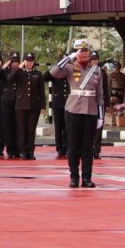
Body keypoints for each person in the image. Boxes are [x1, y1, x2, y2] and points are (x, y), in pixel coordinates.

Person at [49, 39, 104, 187]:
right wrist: (69, 57)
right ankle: (74, 177)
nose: (84, 53)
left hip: (91, 110)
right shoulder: (69, 67)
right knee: (73, 145)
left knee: (88, 147)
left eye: (86, 51)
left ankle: (86, 178)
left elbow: (100, 95)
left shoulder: (97, 70)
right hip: (73, 109)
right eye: (81, 51)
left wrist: (100, 116)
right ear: (76, 53)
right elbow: (53, 72)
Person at [10, 52, 47, 160]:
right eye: (27, 61)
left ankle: (30, 152)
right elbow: (10, 78)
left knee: (31, 130)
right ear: (24, 62)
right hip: (21, 105)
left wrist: (43, 106)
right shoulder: (19, 73)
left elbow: (41, 91)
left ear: (34, 62)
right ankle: (22, 151)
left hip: (34, 106)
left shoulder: (38, 74)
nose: (29, 63)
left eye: (31, 61)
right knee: (22, 130)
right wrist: (19, 68)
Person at [0, 52, 21, 158]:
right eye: (13, 62)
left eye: (16, 62)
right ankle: (10, 150)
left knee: (18, 127)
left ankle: (17, 150)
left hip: (18, 101)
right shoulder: (5, 71)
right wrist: (3, 67)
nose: (15, 64)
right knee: (7, 126)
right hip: (6, 101)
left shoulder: (21, 71)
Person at [46, 63, 70, 157]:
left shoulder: (70, 73)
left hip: (69, 104)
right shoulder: (55, 74)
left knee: (68, 127)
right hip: (58, 104)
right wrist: (55, 67)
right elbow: (45, 77)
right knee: (58, 127)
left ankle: (67, 147)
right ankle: (59, 148)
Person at [90, 51, 110, 159]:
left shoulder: (102, 72)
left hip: (99, 103)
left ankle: (96, 150)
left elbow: (106, 89)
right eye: (92, 59)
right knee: (89, 126)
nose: (94, 61)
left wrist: (107, 104)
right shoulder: (86, 71)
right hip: (89, 103)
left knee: (99, 126)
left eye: (96, 59)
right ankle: (88, 149)